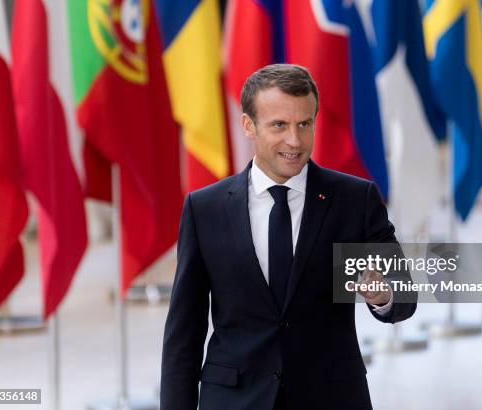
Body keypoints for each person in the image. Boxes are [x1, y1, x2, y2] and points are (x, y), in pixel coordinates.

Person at [160, 64, 417, 410]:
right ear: (248, 125)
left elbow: (404, 292)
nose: (294, 141)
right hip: (235, 399)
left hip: (331, 396)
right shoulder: (204, 209)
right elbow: (184, 333)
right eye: (279, 125)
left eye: (304, 124)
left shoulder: (354, 200)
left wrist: (383, 292)